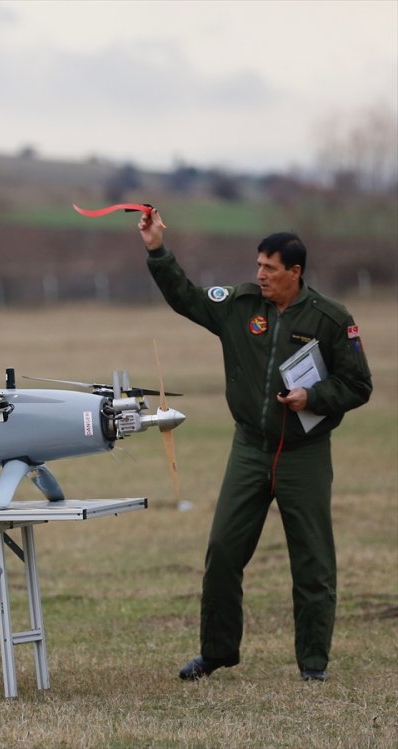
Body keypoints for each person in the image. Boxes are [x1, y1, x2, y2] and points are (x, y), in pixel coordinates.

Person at [137, 209, 372, 682]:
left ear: (295, 272)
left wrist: (315, 396)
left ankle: (312, 665)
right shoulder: (240, 305)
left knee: (312, 561)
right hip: (249, 448)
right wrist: (157, 249)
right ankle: (218, 652)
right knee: (223, 550)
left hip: (304, 452)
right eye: (258, 265)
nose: (259, 274)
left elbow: (359, 385)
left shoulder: (331, 318)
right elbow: (185, 298)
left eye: (270, 268)